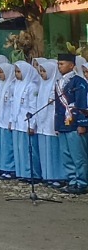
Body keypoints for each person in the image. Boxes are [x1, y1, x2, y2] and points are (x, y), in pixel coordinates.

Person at [54, 53, 88, 195]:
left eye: (62, 64)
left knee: (78, 155)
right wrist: (57, 125)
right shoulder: (59, 82)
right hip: (63, 124)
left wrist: (82, 123)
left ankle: (82, 183)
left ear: (71, 65)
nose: (59, 66)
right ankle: (72, 180)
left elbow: (82, 104)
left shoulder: (79, 82)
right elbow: (58, 106)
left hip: (75, 124)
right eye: (58, 64)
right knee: (66, 154)